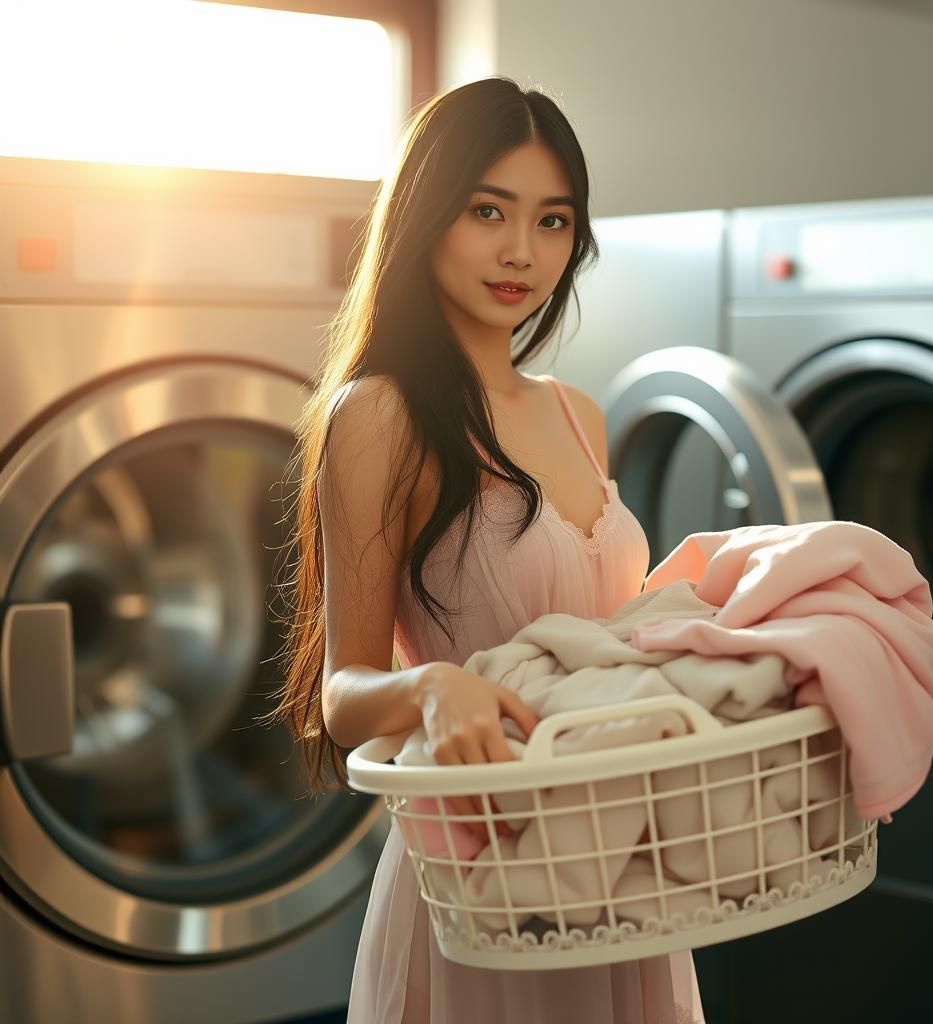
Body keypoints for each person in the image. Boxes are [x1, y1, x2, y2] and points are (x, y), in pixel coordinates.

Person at [269, 76, 705, 1024]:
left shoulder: (576, 413)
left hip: (617, 866)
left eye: (553, 222)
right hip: (478, 872)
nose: (521, 252)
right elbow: (343, 697)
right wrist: (430, 686)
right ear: (427, 216)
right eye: (487, 211)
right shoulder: (379, 415)